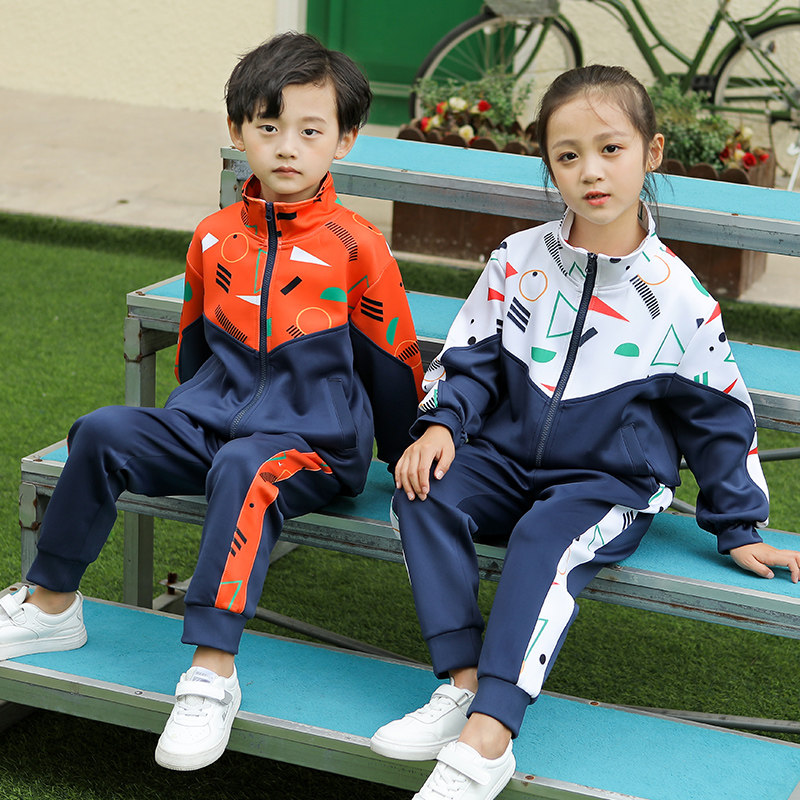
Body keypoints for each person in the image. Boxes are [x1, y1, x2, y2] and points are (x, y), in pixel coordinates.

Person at [369, 64, 800, 800]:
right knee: (422, 491)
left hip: (607, 482)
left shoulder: (679, 298)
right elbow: (471, 356)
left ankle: (489, 737)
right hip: (504, 457)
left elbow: (719, 415)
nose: (591, 172)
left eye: (610, 149)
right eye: (568, 156)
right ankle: (463, 685)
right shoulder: (518, 261)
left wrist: (738, 525)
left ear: (651, 152)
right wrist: (442, 424)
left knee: (546, 539)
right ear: (550, 166)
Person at [0, 32, 423, 771]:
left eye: (310, 131)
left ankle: (211, 672)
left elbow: (392, 360)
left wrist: (403, 451)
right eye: (269, 126)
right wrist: (188, 419)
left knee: (244, 468)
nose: (287, 147)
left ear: (345, 140)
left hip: (312, 447)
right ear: (238, 131)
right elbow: (196, 344)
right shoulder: (213, 238)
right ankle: (52, 606)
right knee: (101, 431)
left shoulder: (359, 246)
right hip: (213, 428)